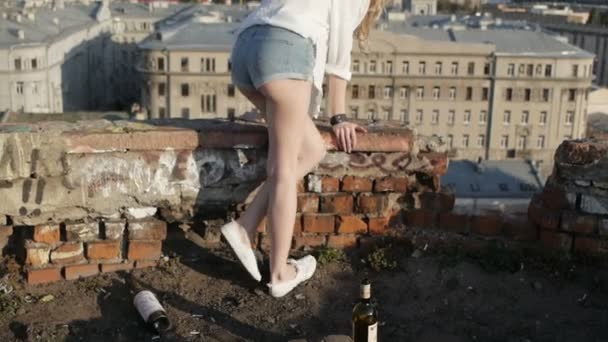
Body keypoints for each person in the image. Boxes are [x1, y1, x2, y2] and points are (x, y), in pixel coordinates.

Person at [221, 0, 386, 298]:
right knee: (282, 169)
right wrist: (339, 117)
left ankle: (245, 226)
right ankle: (280, 273)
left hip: (246, 49)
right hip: (283, 50)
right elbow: (338, 59)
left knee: (311, 149)